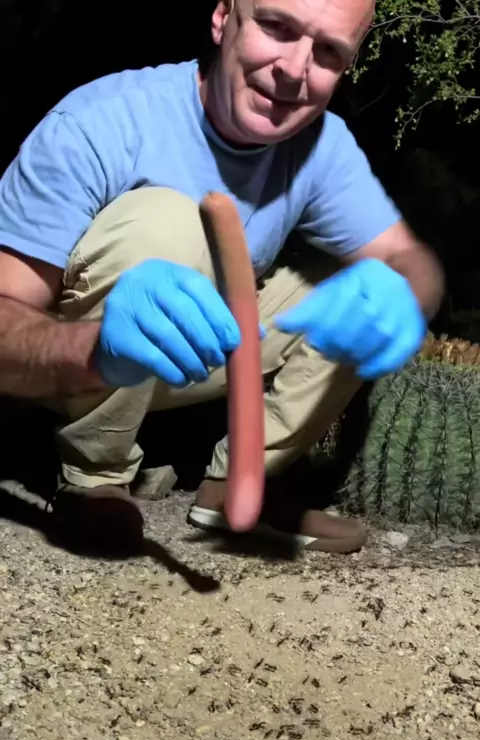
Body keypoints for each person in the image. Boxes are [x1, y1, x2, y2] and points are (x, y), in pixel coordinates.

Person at [0, 0, 444, 553]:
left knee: (364, 279)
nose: (295, 70)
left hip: (199, 350)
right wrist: (97, 348)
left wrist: (405, 293)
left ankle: (241, 483)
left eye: (328, 52)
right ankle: (94, 479)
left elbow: (410, 259)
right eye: (277, 26)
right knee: (165, 221)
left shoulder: (321, 145)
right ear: (222, 18)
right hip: (78, 364)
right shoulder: (100, 122)